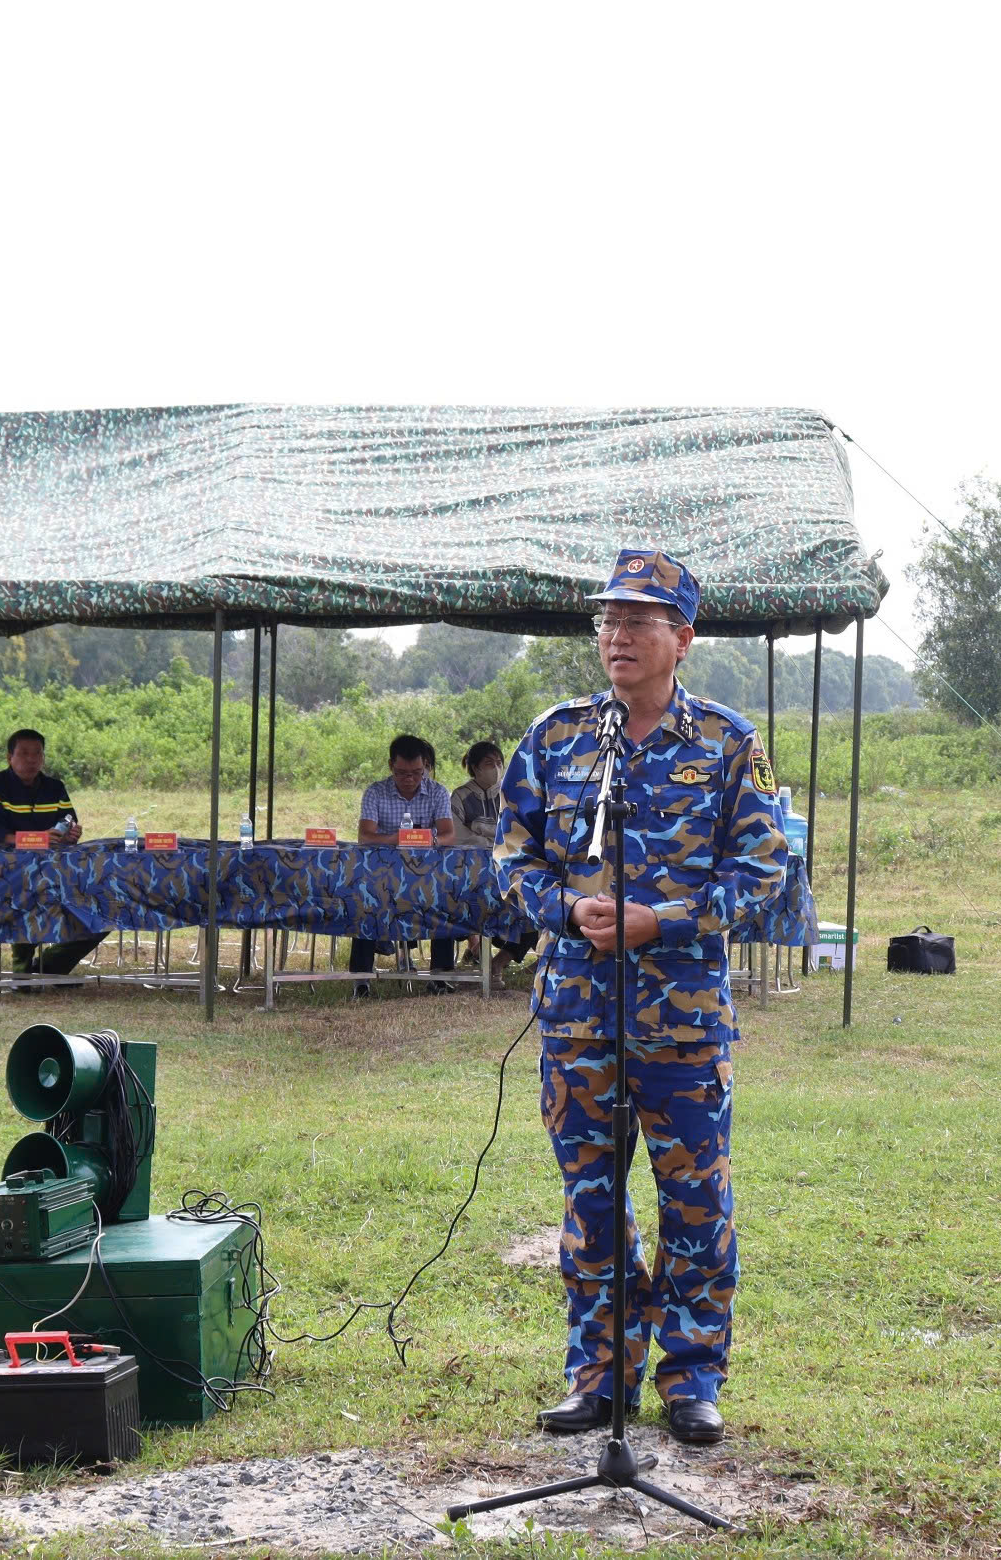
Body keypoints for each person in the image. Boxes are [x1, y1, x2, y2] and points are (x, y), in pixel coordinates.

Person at [495, 547, 786, 1448]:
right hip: (580, 1017)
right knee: (592, 1206)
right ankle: (598, 1376)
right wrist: (563, 907)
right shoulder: (557, 736)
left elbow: (768, 865)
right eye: (607, 620)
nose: (616, 636)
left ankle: (692, 1379)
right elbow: (512, 856)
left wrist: (668, 919)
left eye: (638, 621)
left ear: (682, 638)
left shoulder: (729, 744)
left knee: (695, 1207)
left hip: (684, 1025)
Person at [0, 728, 104, 982]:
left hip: (56, 868)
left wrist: (70, 834)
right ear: (9, 757)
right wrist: (37, 839)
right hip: (10, 870)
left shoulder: (55, 787)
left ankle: (50, 967)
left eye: (37, 754)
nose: (31, 759)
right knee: (26, 900)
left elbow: (68, 821)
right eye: (23, 753)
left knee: (101, 905)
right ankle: (21, 970)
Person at [349, 732, 458, 977]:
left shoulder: (438, 792)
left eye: (416, 773)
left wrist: (428, 841)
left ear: (425, 768)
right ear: (391, 766)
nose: (409, 779)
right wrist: (398, 839)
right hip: (381, 877)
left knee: (445, 900)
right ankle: (361, 977)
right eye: (402, 773)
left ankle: (441, 975)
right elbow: (365, 837)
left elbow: (449, 835)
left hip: (427, 875)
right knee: (364, 901)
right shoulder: (375, 793)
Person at [454, 739, 535, 978]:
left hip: (507, 871)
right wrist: (491, 840)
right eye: (489, 763)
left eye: (499, 762)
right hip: (469, 874)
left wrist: (484, 832)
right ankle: (476, 948)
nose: (496, 768)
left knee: (528, 910)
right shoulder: (460, 796)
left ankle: (499, 962)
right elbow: (457, 834)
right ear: (475, 767)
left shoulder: (511, 794)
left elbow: (521, 829)